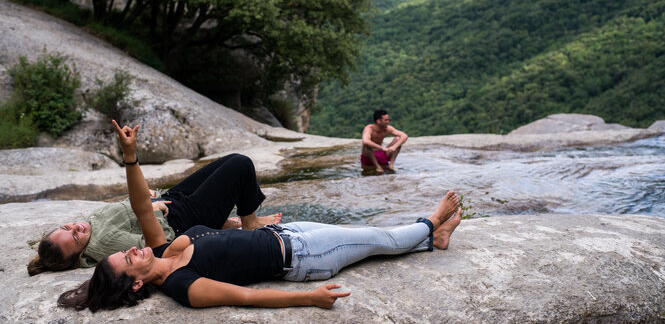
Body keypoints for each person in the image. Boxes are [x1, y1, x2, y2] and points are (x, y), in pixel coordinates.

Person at [57, 121, 462, 311]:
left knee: (366, 234)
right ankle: (430, 222)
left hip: (290, 231)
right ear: (136, 286)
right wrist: (310, 300)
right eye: (129, 260)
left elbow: (143, 205)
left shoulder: (162, 248)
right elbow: (247, 297)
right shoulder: (184, 287)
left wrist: (130, 156)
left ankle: (433, 240)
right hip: (304, 259)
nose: (133, 250)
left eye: (127, 252)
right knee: (379, 238)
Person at [27, 128, 281, 276]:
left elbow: (123, 213)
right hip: (182, 220)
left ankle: (223, 223)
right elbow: (154, 244)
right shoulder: (104, 243)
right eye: (74, 237)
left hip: (169, 200)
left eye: (66, 227)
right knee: (240, 164)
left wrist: (143, 197)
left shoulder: (90, 228)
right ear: (79, 254)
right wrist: (153, 210)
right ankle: (249, 223)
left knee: (229, 161)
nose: (75, 228)